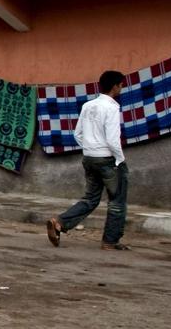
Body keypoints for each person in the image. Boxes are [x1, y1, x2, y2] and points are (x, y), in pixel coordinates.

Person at [46, 70, 130, 251]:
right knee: (117, 201)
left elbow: (77, 133)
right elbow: (113, 139)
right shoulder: (112, 107)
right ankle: (110, 241)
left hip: (89, 157)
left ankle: (60, 222)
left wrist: (90, 148)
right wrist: (119, 159)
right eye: (121, 84)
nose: (122, 87)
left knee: (90, 198)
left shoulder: (88, 105)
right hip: (107, 159)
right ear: (115, 86)